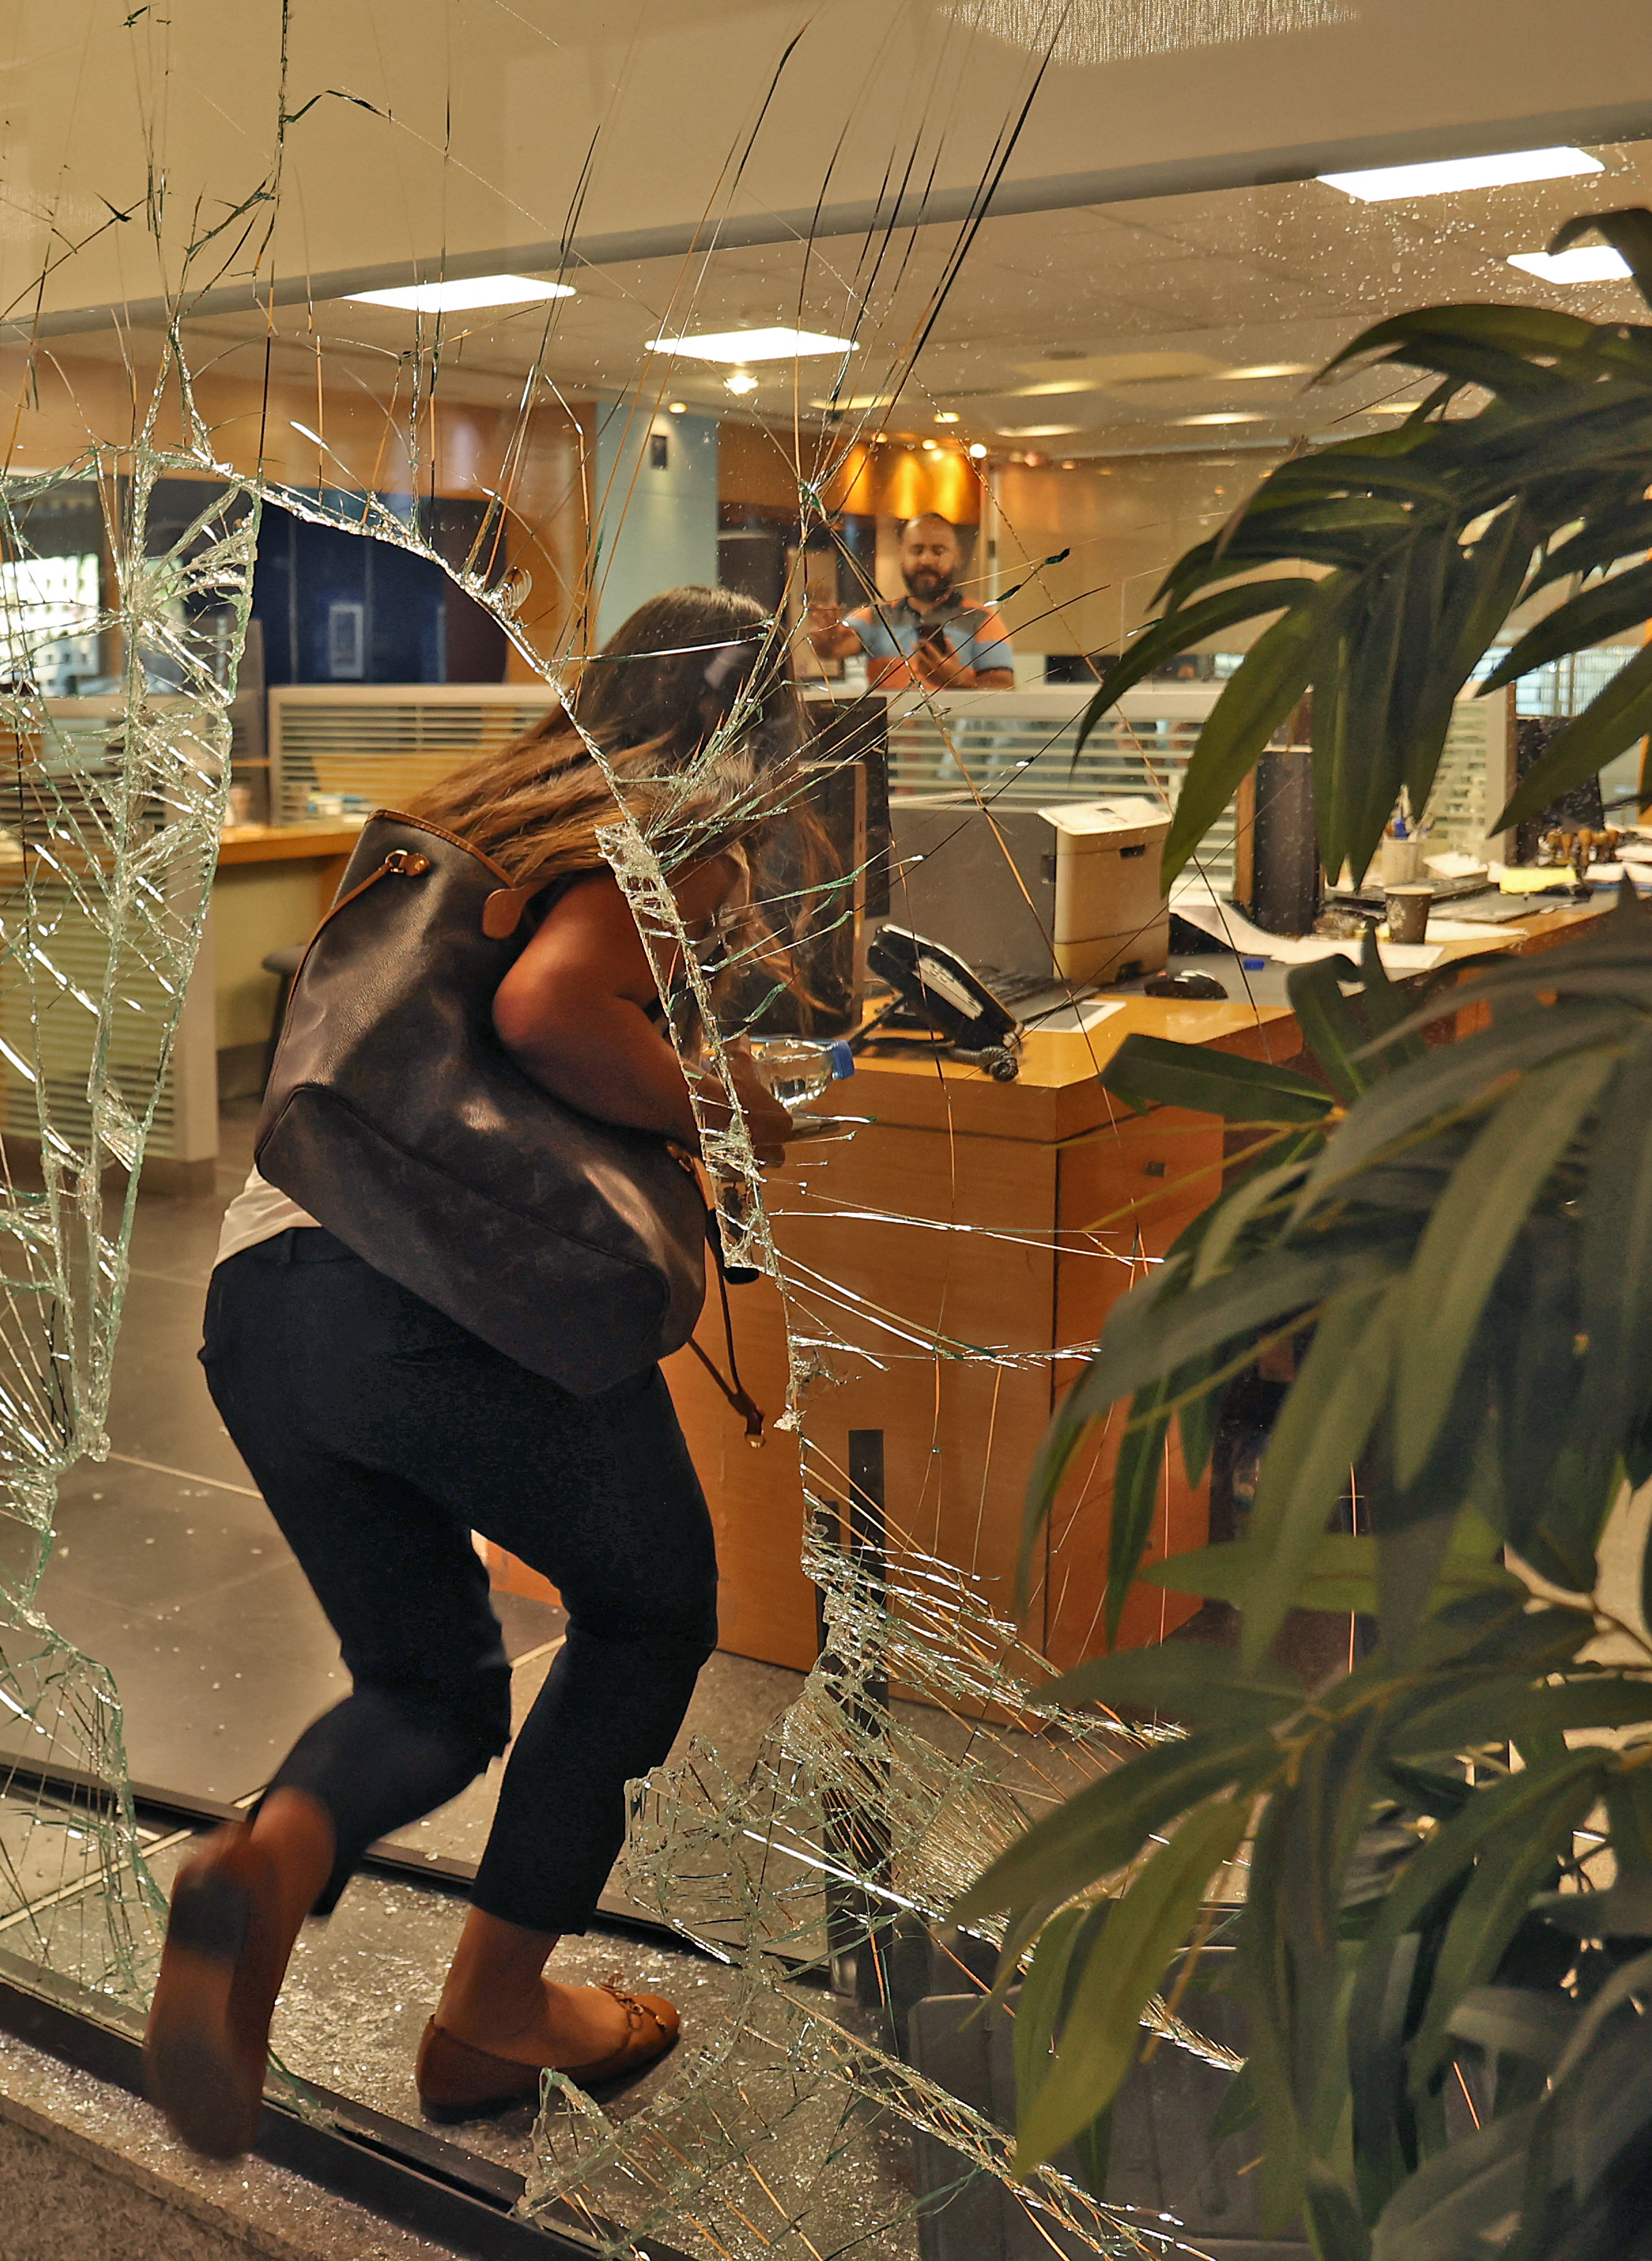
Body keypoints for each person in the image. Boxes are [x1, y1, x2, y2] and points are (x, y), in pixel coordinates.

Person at [147, 586, 797, 2158]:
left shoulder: (462, 810)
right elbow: (549, 1007)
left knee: (427, 1684)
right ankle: (492, 2010)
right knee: (646, 1612)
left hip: (264, 1292)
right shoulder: (653, 819)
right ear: (739, 727)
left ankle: (265, 1857)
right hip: (441, 1291)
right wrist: (720, 1102)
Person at [843, 513, 1017, 690]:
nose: (926, 560)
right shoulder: (876, 617)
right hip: (889, 718)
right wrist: (825, 638)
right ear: (902, 554)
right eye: (917, 550)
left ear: (957, 556)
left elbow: (1005, 687)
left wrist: (959, 681)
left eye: (938, 551)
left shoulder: (982, 619)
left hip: (957, 717)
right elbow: (837, 644)